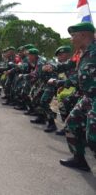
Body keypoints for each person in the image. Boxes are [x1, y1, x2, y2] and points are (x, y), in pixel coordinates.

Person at [56, 22, 96, 172]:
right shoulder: (83, 54)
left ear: (83, 35)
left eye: (73, 36)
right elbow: (81, 78)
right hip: (87, 98)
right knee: (71, 124)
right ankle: (79, 159)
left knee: (93, 138)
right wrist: (63, 82)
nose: (71, 39)